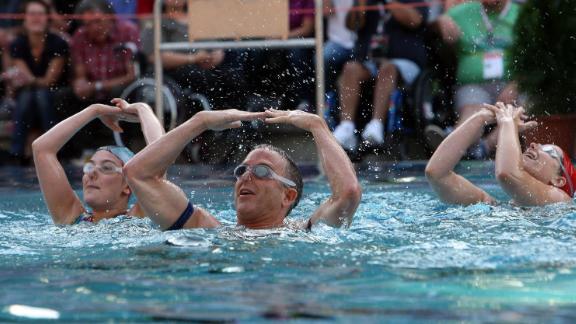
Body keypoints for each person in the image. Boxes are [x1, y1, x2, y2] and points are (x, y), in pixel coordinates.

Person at [124, 109, 362, 230]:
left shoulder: (307, 233)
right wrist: (200, 122)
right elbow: (138, 173)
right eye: (242, 170)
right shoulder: (206, 228)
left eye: (261, 172)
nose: (246, 177)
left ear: (287, 195)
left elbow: (348, 193)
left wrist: (316, 125)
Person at [32, 99, 164, 225]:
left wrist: (142, 108)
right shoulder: (71, 218)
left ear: (128, 185)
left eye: (107, 168)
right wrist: (95, 110)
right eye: (90, 166)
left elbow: (161, 153)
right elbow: (42, 149)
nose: (92, 173)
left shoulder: (142, 216)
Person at [425, 102, 575, 206]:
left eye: (549, 151)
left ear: (558, 181)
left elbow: (508, 174)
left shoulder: (561, 201)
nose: (534, 145)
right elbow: (437, 174)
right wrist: (480, 118)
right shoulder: (494, 207)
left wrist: (507, 122)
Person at [427, 0, 520, 157]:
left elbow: (535, 59)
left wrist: (516, 85)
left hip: (512, 83)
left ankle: (483, 147)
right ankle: (451, 143)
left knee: (521, 110)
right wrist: (439, 21)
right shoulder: (464, 12)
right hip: (474, 84)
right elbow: (428, 27)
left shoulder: (520, 15)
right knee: (472, 112)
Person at [332, 0, 428, 150]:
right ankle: (346, 126)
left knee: (387, 69)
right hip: (370, 60)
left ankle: (376, 125)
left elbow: (414, 20)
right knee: (350, 68)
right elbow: (352, 24)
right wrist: (360, 4)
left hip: (405, 60)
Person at [5, 0, 68, 163]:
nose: (36, 18)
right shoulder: (18, 43)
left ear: (47, 18)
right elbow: (25, 77)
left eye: (40, 14)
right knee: (30, 96)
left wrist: (28, 80)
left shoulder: (58, 43)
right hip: (28, 93)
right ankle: (36, 150)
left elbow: (49, 80)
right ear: (24, 18)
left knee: (39, 95)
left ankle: (20, 151)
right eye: (32, 14)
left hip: (55, 92)